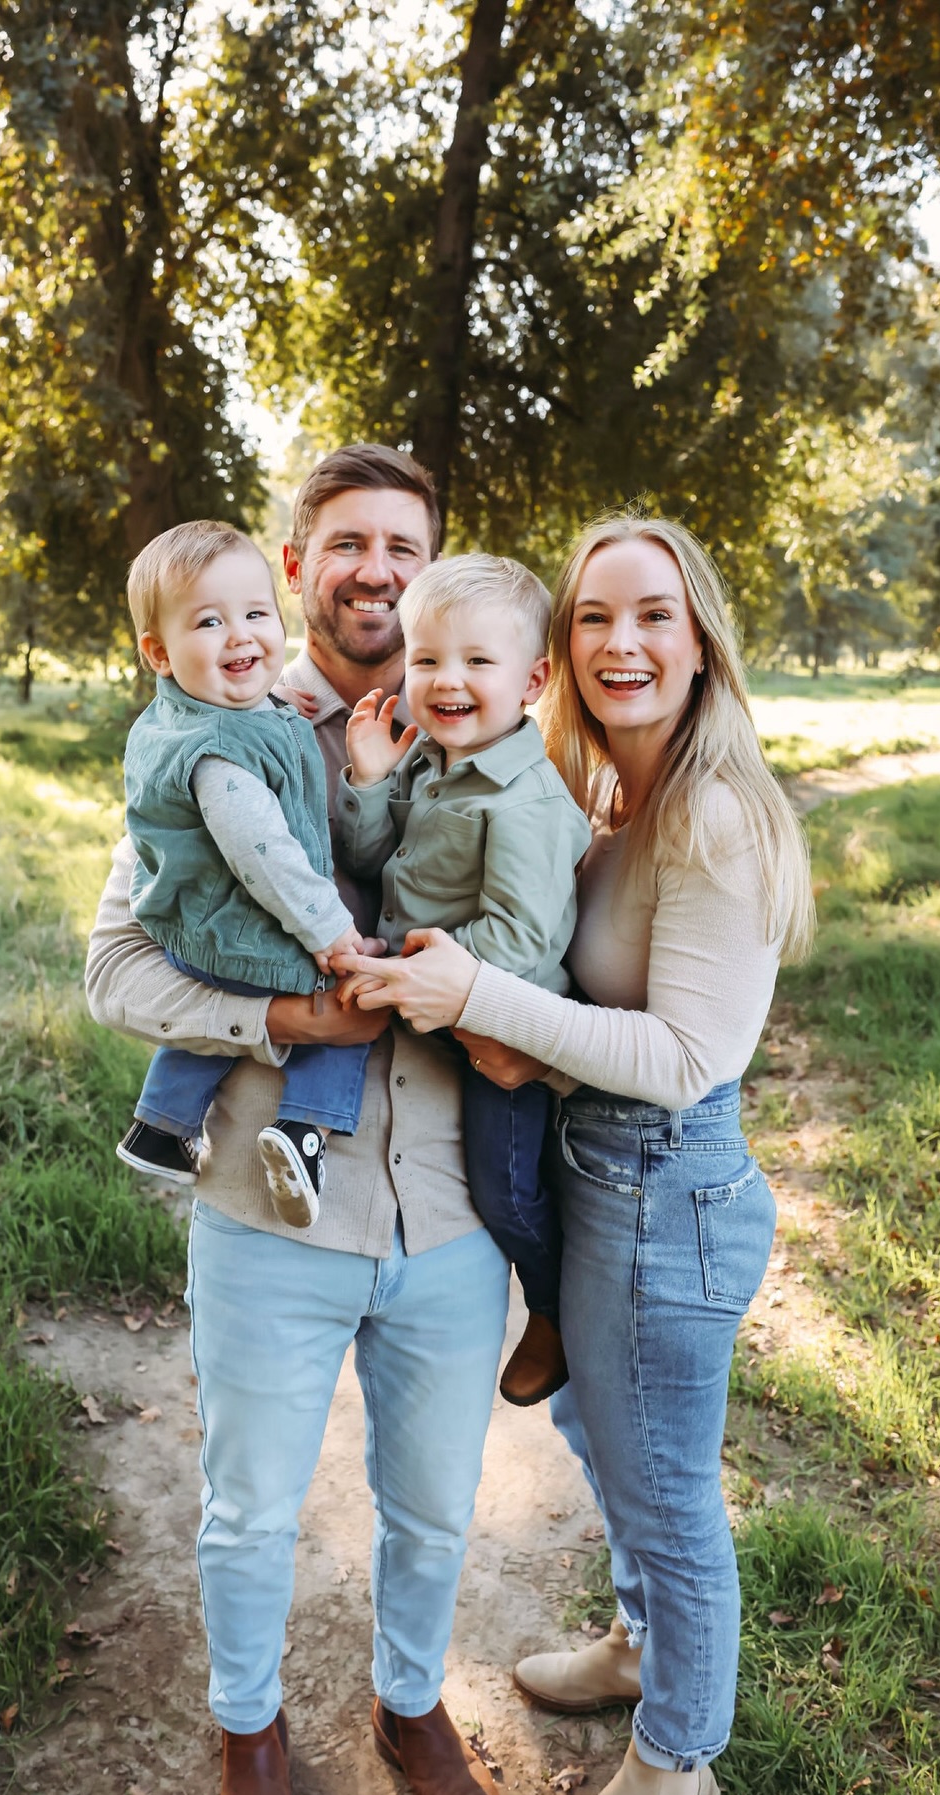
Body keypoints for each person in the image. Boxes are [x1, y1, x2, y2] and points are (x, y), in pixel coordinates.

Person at [334, 513, 816, 1795]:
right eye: (594, 617)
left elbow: (680, 1059)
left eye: (653, 613)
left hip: (669, 1187)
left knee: (667, 1493)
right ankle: (641, 1649)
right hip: (603, 1171)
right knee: (611, 1449)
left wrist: (480, 1006)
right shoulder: (616, 798)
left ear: (702, 637)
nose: (622, 642)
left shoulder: (718, 814)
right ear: (561, 652)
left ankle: (678, 1763)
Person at [85, 445, 509, 1795]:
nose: (378, 570)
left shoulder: (485, 727)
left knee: (438, 1507)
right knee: (251, 1504)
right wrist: (278, 1024)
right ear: (296, 565)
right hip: (270, 1211)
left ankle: (407, 1702)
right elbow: (119, 967)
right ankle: (250, 1724)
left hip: (450, 1215)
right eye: (348, 544)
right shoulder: (212, 721)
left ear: (432, 566)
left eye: (406, 546)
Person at [337, 552, 591, 1404]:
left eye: (479, 661)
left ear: (534, 678)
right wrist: (372, 778)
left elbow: (519, 940)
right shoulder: (430, 760)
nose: (447, 680)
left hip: (503, 1031)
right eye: (426, 660)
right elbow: (377, 861)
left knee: (506, 1186)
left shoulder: (527, 802)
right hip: (433, 1004)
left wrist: (409, 962)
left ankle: (557, 1310)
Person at [115, 518, 378, 1226]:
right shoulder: (220, 751)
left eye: (256, 614)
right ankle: (305, 1130)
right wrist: (331, 937)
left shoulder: (184, 718)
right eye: (209, 622)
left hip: (192, 927)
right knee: (353, 997)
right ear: (159, 653)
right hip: (235, 927)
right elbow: (264, 854)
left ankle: (163, 1126)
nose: (240, 636)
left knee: (230, 981)